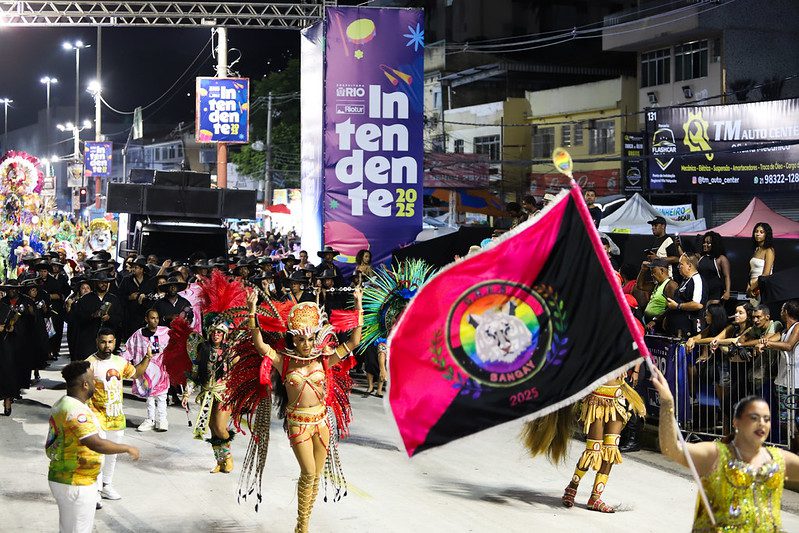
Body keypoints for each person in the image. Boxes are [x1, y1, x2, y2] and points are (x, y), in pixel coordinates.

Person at [246, 287, 363, 532]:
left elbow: (354, 341)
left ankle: (304, 523)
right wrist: (252, 311)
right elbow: (259, 345)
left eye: (310, 339)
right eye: (301, 339)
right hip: (298, 423)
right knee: (308, 472)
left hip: (322, 421)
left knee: (317, 475)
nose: (306, 344)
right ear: (293, 338)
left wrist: (358, 305)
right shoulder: (283, 361)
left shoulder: (324, 359)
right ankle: (302, 525)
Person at [651, 368, 799, 531]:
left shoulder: (777, 459)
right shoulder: (716, 454)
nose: (762, 424)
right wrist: (667, 404)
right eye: (754, 418)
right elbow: (671, 449)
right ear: (736, 422)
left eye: (767, 419)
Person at [46, 361, 140, 533]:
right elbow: (95, 443)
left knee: (69, 529)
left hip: (66, 478)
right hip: (76, 482)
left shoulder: (63, 403)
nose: (97, 383)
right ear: (85, 384)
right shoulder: (76, 411)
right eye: (93, 379)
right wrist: (126, 448)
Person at [86, 328, 152, 501]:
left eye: (110, 342)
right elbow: (82, 390)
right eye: (103, 341)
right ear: (97, 342)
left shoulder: (120, 361)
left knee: (112, 455)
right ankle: (95, 491)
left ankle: (106, 485)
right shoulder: (89, 363)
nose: (107, 345)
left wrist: (148, 358)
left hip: (116, 417)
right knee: (97, 455)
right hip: (96, 417)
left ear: (114, 342)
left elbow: (136, 373)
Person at [124, 308, 171, 432]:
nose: (155, 320)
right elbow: (128, 349)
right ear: (146, 319)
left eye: (157, 318)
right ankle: (150, 419)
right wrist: (122, 362)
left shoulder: (165, 332)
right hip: (145, 371)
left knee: (161, 396)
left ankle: (162, 420)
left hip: (161, 371)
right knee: (149, 397)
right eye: (152, 318)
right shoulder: (138, 334)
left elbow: (175, 344)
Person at [764, 300, 799, 452]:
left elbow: (789, 346)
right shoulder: (785, 330)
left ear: (786, 312)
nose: (780, 312)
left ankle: (795, 455)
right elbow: (768, 340)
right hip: (784, 381)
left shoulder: (797, 326)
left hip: (794, 382)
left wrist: (768, 344)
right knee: (786, 421)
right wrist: (762, 342)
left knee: (790, 421)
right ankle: (792, 453)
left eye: (782, 309)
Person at [72, 272, 124, 360]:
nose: (103, 284)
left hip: (108, 338)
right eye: (100, 282)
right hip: (89, 339)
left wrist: (109, 318)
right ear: (95, 283)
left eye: (105, 282)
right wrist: (93, 315)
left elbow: (120, 317)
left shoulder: (114, 299)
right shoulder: (85, 299)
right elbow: (78, 318)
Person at [665, 254, 707, 338]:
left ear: (689, 266)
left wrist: (677, 306)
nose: (678, 267)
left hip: (689, 330)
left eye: (681, 264)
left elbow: (698, 304)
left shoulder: (697, 280)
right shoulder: (685, 280)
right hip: (676, 328)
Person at [697, 231, 731, 304]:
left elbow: (727, 276)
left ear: (714, 244)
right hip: (702, 292)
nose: (705, 245)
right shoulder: (701, 257)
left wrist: (727, 292)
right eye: (704, 242)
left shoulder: (721, 258)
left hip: (715, 293)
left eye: (708, 243)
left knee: (713, 313)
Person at [748, 222, 776, 303]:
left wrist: (752, 287)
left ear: (766, 234)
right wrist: (748, 286)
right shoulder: (756, 250)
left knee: (760, 312)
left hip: (762, 287)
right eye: (756, 231)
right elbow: (751, 271)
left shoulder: (769, 250)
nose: (757, 234)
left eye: (761, 232)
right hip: (752, 287)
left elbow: (766, 274)